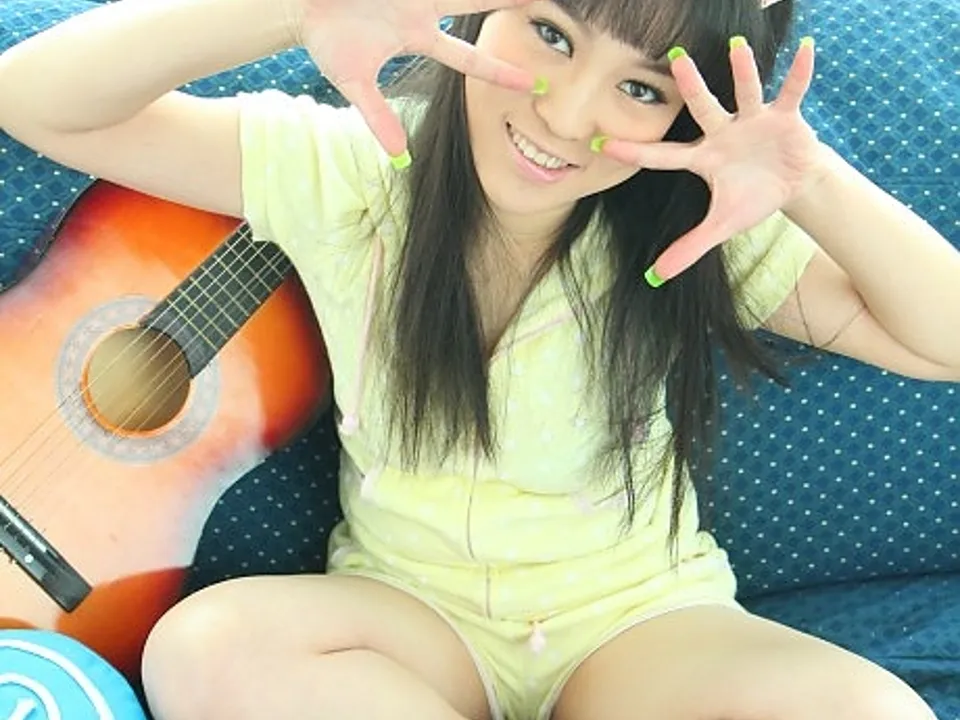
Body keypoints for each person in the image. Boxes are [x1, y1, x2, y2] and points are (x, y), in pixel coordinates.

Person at [0, 0, 957, 718]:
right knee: (206, 650)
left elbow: (941, 340)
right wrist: (298, 8)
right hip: (414, 625)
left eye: (640, 90)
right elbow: (37, 102)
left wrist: (811, 180)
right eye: (550, 34)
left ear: (685, 119)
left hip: (635, 630)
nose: (567, 116)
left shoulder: (692, 225)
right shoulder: (355, 167)